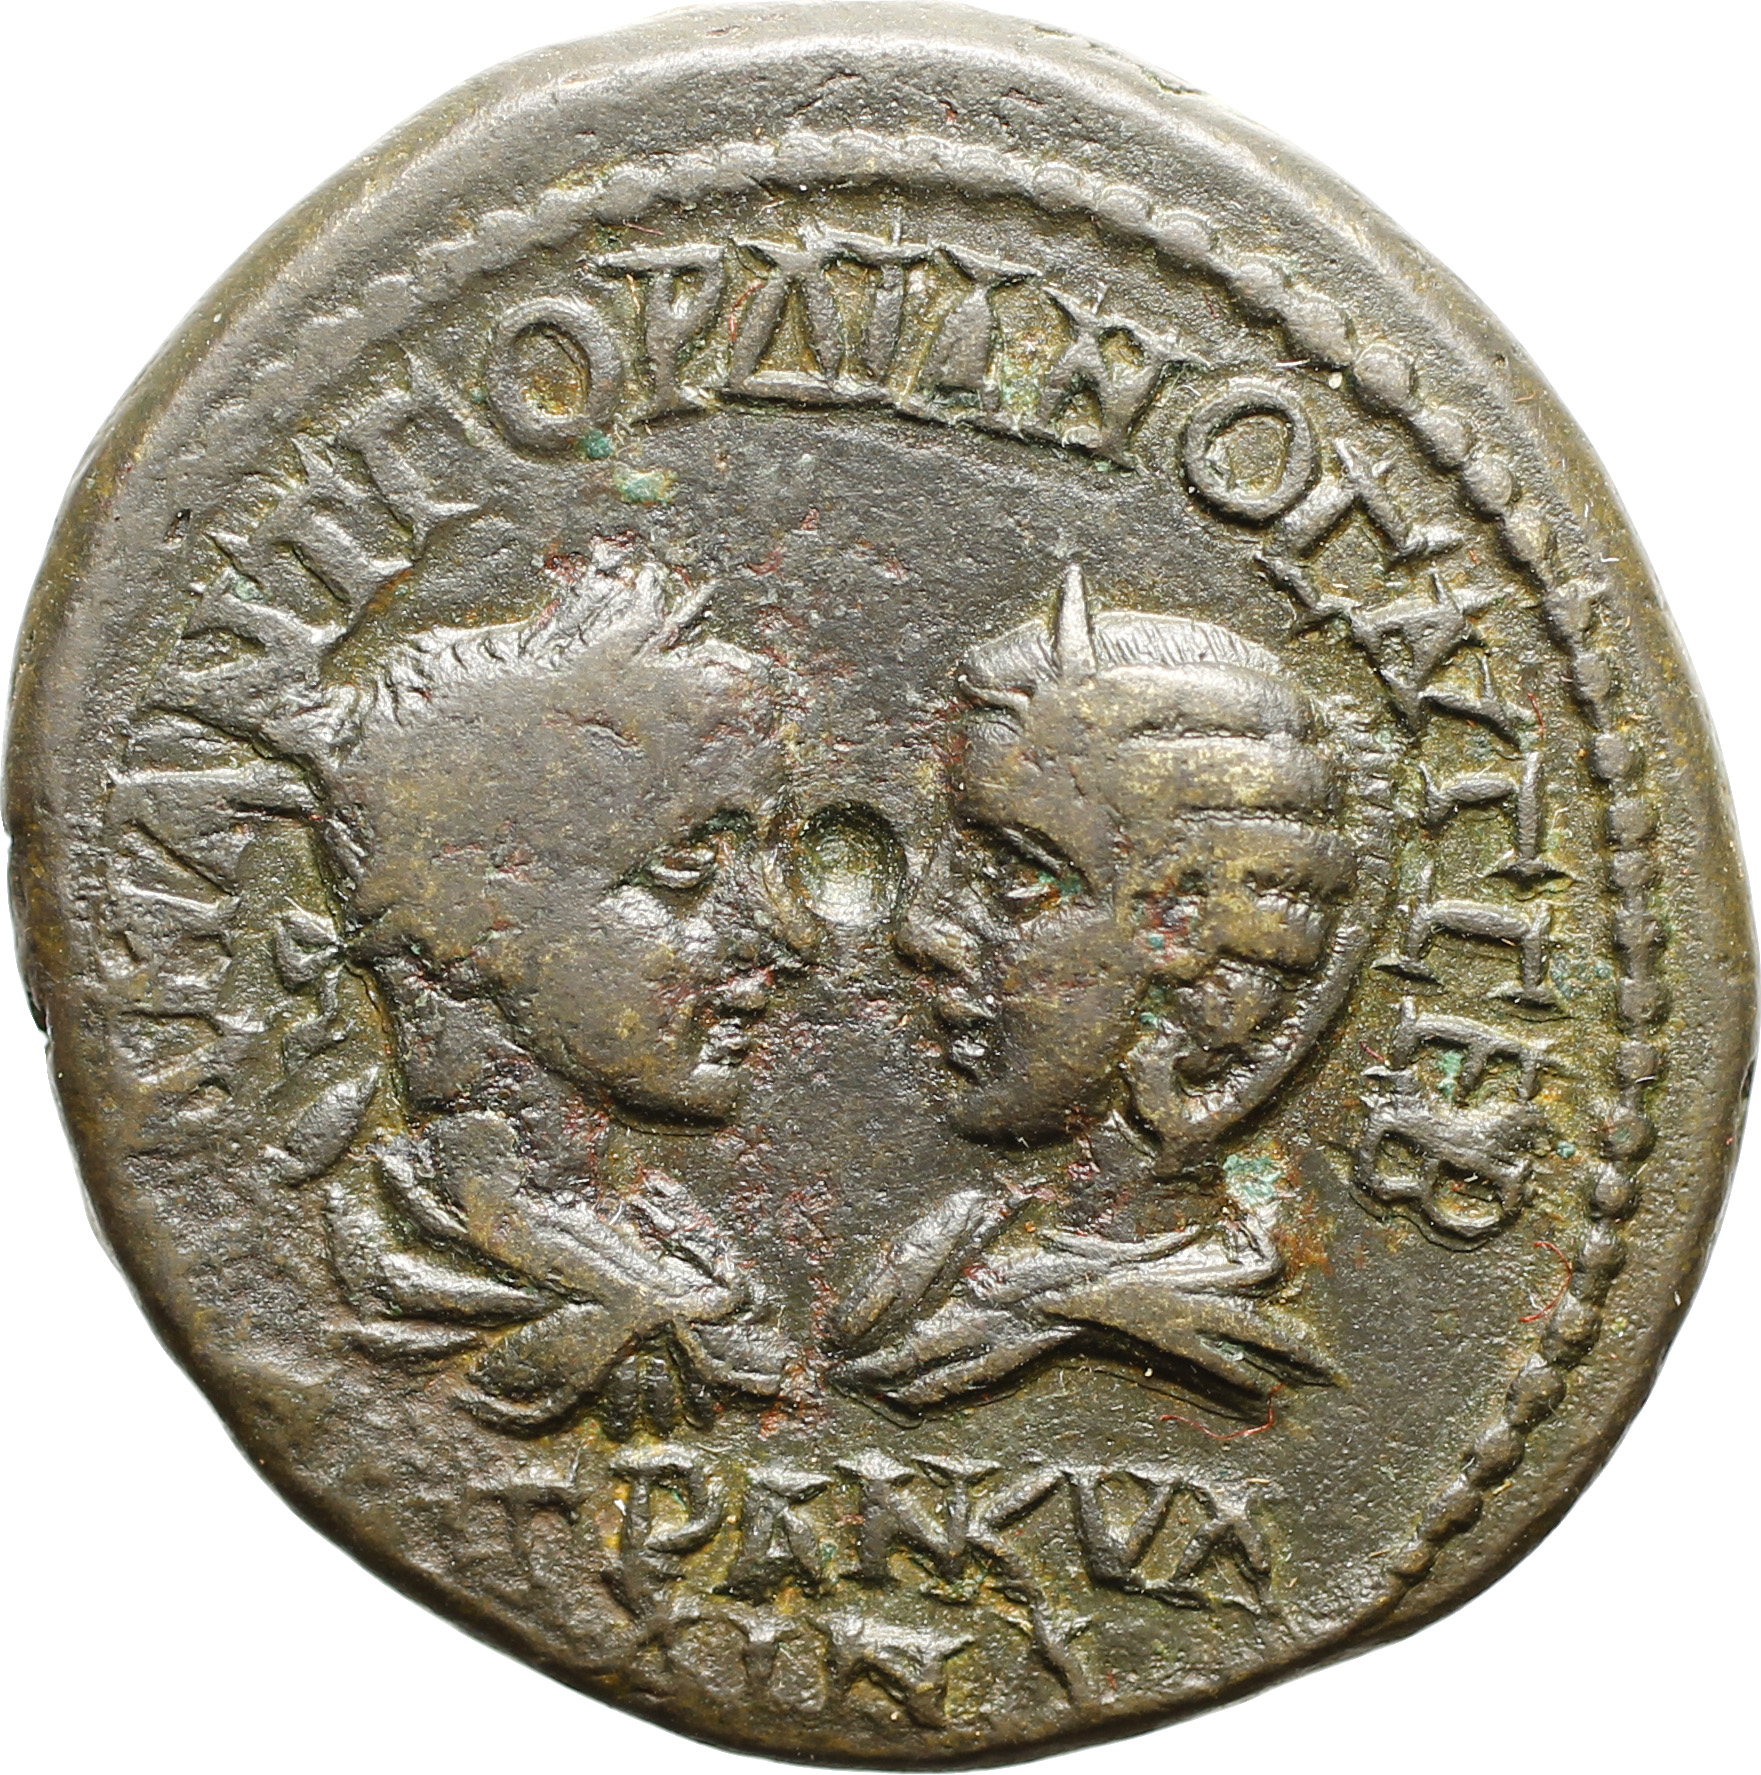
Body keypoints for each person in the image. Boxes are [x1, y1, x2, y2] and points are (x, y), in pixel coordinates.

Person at [287, 537, 802, 1434]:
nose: (789, 933)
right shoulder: (430, 1275)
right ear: (470, 912)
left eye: (767, 860)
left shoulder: (651, 1236)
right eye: (687, 864)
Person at [837, 566, 1353, 1416]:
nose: (919, 928)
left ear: (1178, 924)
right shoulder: (954, 1256)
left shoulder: (1234, 1332)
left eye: (1012, 875)